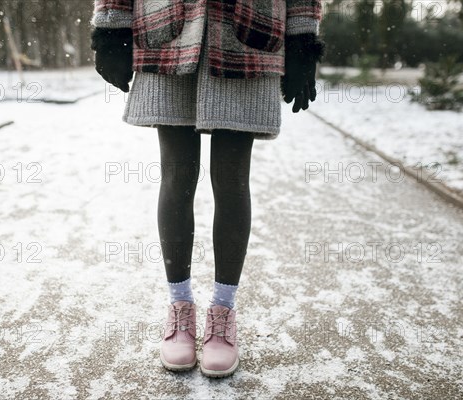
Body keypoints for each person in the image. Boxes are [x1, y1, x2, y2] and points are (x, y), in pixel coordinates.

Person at [90, 0, 324, 378]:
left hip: (250, 33)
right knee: (177, 179)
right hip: (167, 31)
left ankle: (222, 312)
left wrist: (302, 41)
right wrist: (112, 28)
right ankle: (180, 309)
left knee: (232, 183)